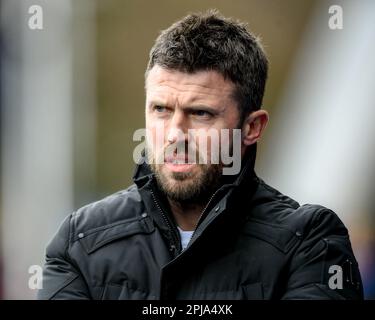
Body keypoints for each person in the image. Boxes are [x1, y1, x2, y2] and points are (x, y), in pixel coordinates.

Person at [37, 10, 363, 300]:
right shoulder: (80, 241)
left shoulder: (308, 241)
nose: (176, 133)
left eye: (201, 113)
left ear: (252, 127)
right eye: (161, 109)